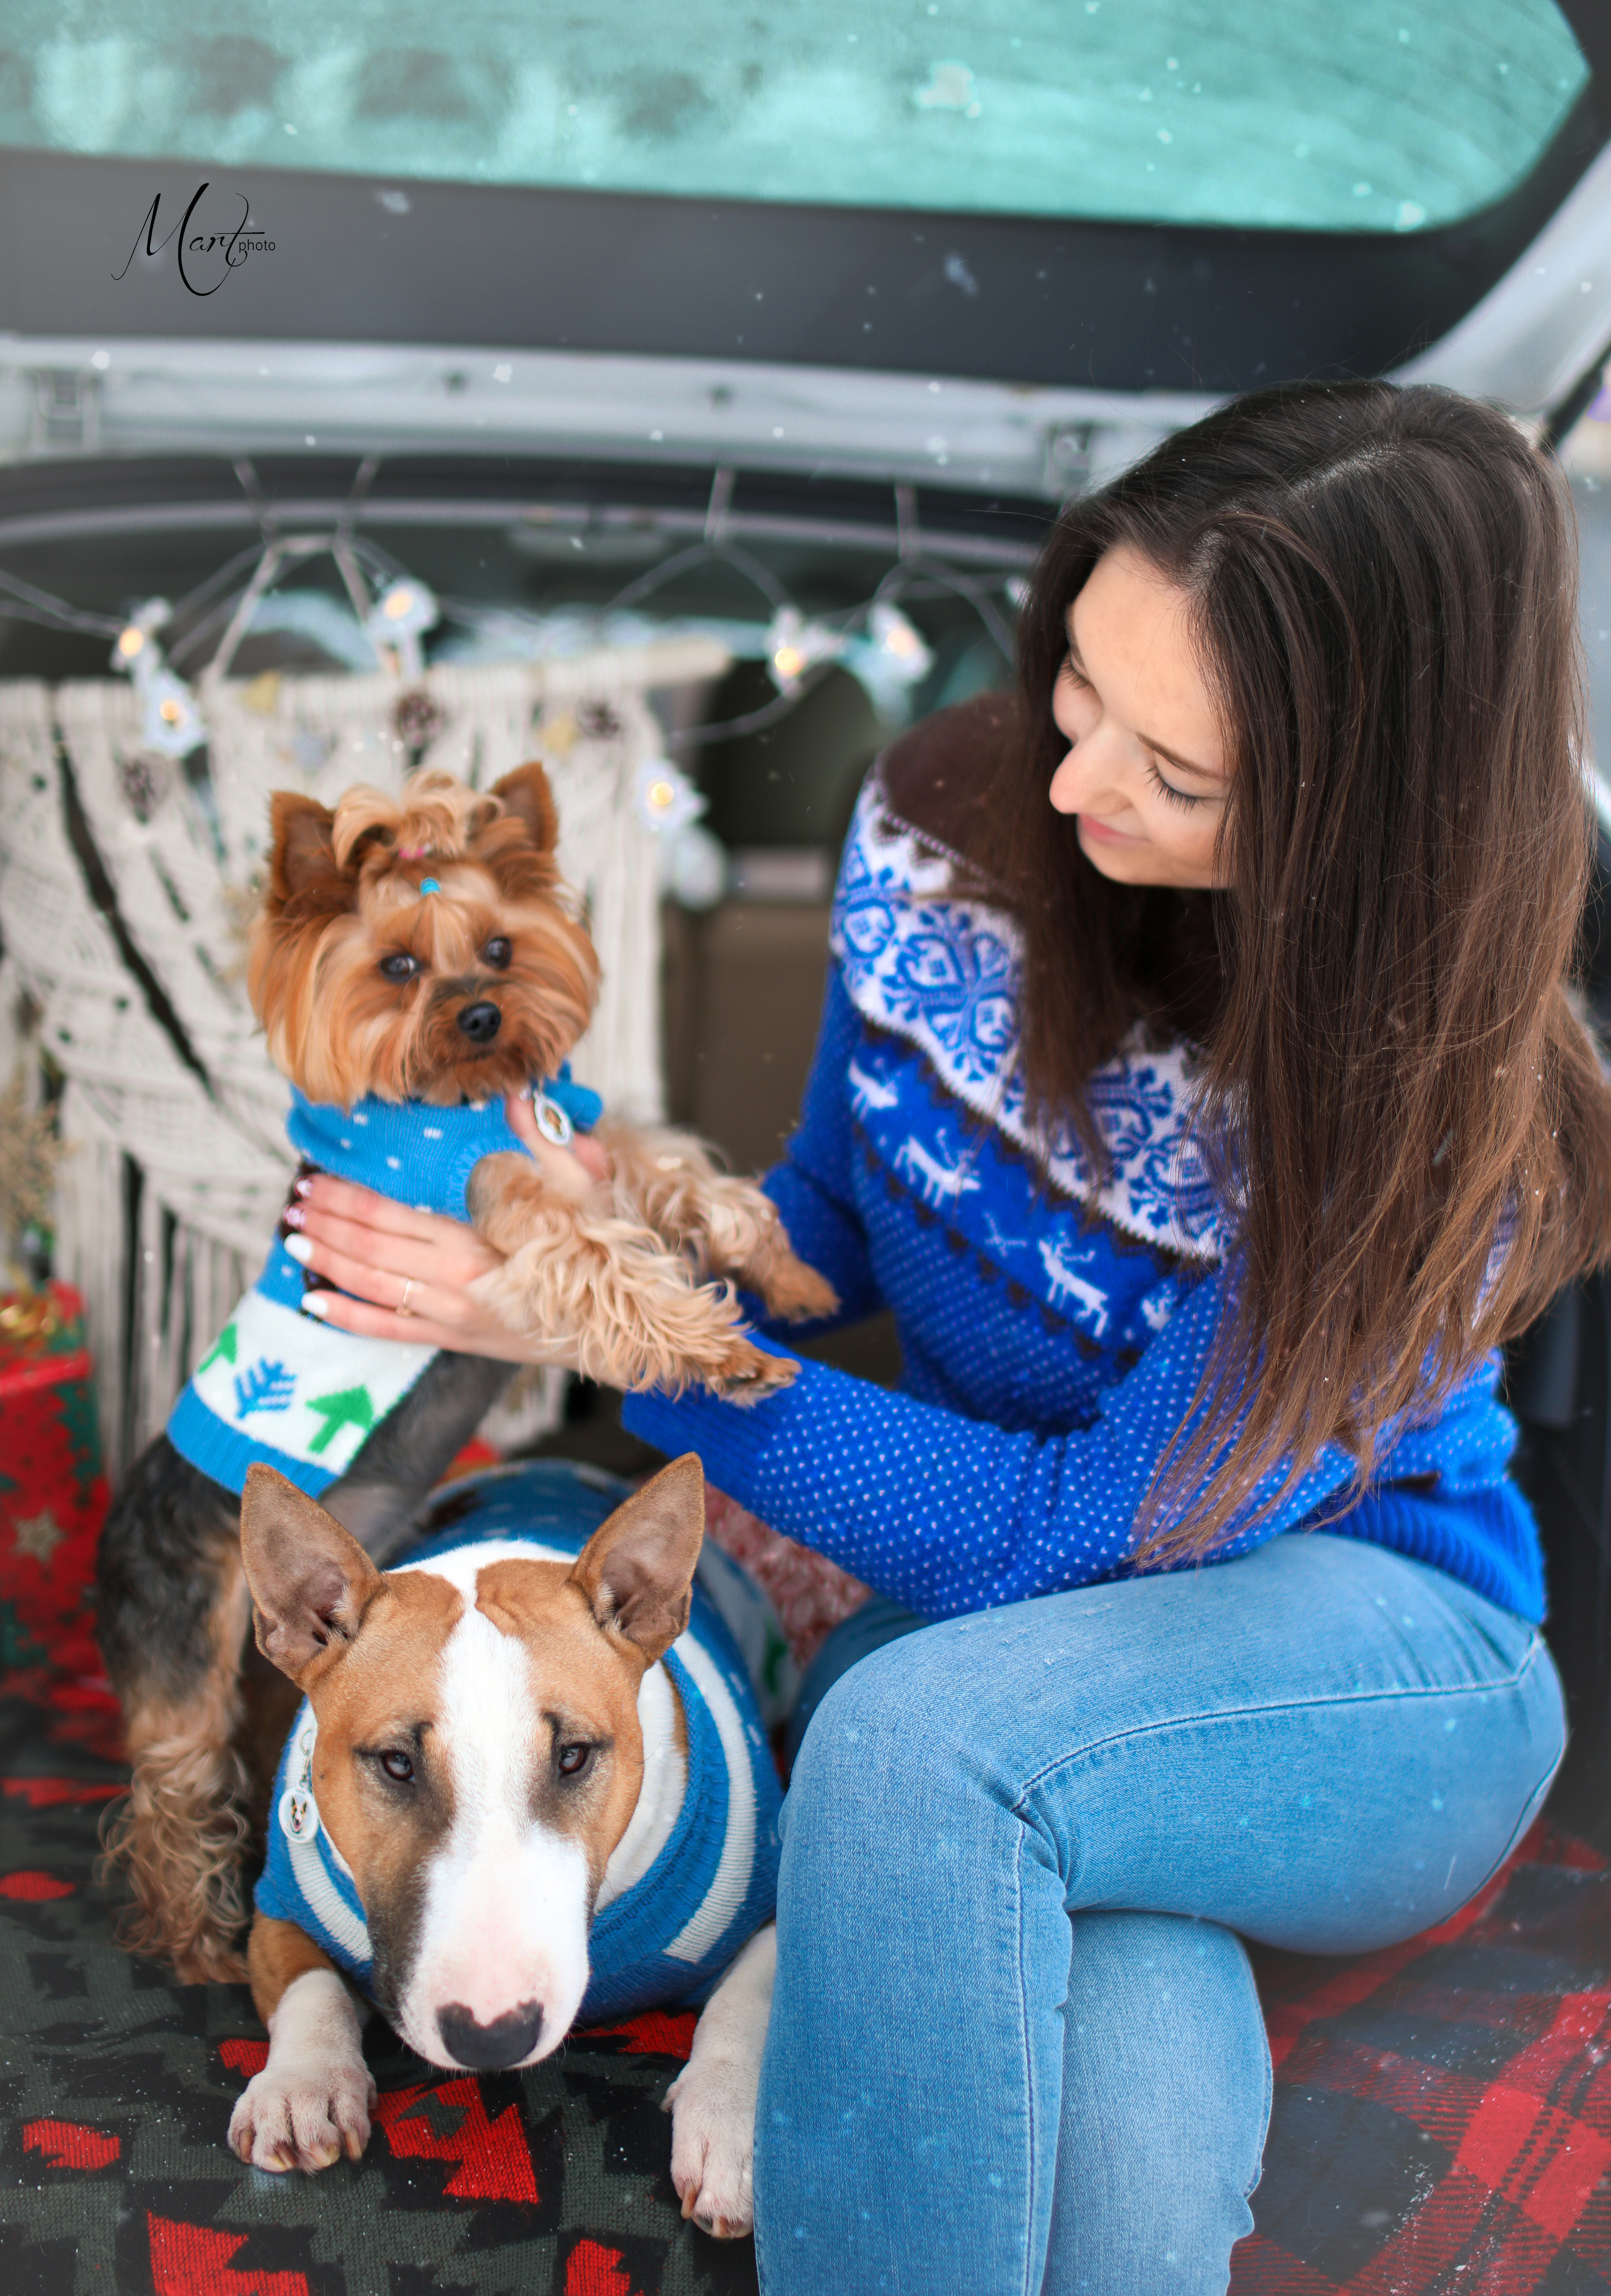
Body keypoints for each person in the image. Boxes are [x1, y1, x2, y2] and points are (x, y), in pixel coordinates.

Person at [279, 381, 1611, 2294]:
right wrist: (622, 1229)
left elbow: (1058, 1536)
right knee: (1110, 2156)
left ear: (1360, 815)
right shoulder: (940, 817)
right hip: (1038, 1661)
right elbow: (839, 1215)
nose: (1072, 783)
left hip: (1365, 1641)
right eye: (1082, 684)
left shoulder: (1443, 1117)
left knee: (905, 1744)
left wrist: (623, 1344)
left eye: (1177, 771)